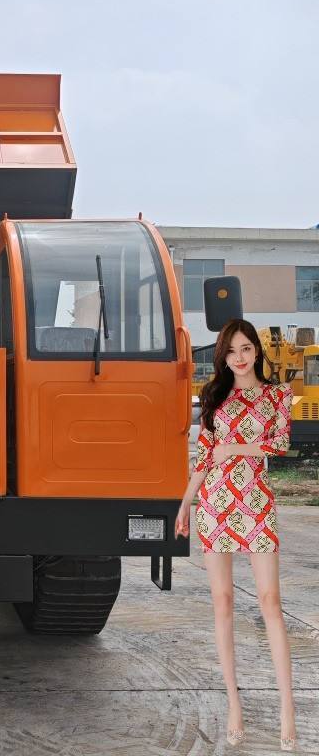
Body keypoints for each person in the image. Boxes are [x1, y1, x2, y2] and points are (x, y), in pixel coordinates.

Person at [175, 318, 297, 751]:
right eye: (231, 351)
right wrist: (186, 503)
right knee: (222, 602)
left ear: (257, 351)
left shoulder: (277, 395)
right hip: (215, 504)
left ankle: (287, 708)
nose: (239, 357)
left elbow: (280, 443)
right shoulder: (214, 395)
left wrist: (237, 448)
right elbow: (205, 456)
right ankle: (234, 704)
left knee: (270, 602)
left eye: (245, 349)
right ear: (222, 357)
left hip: (256, 503)